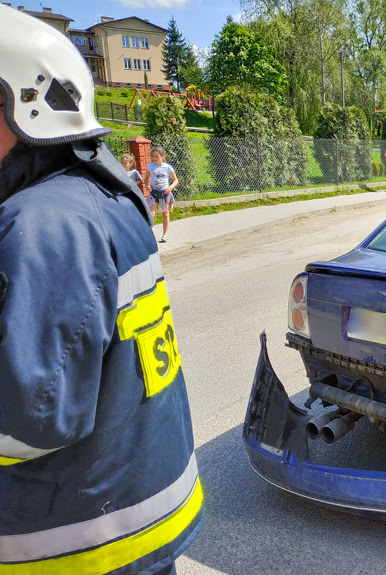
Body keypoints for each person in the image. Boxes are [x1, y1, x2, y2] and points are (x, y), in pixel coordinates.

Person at [0, 7, 203, 575]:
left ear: (24, 105)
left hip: (73, 543)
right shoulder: (105, 193)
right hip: (136, 510)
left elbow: (34, 419)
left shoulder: (41, 228)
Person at [145, 145, 179, 242]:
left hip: (165, 194)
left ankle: (165, 235)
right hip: (154, 194)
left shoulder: (168, 167)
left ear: (162, 156)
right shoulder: (150, 166)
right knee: (151, 214)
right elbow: (146, 178)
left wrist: (170, 187)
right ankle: (151, 235)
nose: (155, 158)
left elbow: (175, 180)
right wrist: (147, 185)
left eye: (157, 156)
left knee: (165, 213)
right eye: (153, 156)